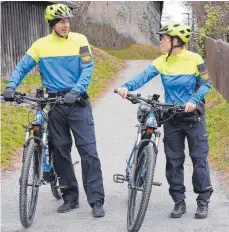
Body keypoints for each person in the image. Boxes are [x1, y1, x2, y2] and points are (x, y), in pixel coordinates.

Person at [4, 3, 105, 217]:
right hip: (55, 104)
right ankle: (70, 197)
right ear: (52, 24)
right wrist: (11, 86)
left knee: (89, 152)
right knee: (60, 152)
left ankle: (96, 200)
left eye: (67, 20)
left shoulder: (80, 40)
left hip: (77, 103)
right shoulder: (41, 45)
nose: (66, 24)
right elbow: (23, 66)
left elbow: (88, 68)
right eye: (61, 21)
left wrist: (76, 91)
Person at [117, 23, 213, 219]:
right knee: (174, 160)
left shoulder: (195, 59)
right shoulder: (162, 61)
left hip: (193, 117)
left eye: (165, 38)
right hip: (171, 116)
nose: (161, 41)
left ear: (176, 41)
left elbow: (206, 84)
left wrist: (193, 101)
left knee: (198, 159)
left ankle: (203, 201)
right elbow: (142, 77)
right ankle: (179, 201)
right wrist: (126, 86)